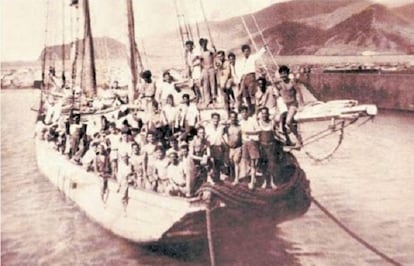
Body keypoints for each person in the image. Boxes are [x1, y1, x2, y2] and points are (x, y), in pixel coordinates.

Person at [275, 65, 303, 147]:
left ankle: (298, 138)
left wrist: (301, 104)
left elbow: (298, 92)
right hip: (284, 106)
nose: (283, 75)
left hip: (292, 105)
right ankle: (287, 140)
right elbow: (272, 85)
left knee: (288, 121)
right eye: (281, 74)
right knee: (277, 122)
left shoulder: (292, 82)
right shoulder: (279, 83)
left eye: (285, 73)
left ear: (288, 74)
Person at [238, 44, 266, 116]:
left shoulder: (252, 57)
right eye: (244, 51)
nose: (246, 53)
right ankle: (250, 109)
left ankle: (255, 110)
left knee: (252, 94)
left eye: (247, 51)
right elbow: (241, 71)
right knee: (246, 95)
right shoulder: (243, 60)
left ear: (249, 51)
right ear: (243, 52)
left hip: (251, 76)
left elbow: (259, 54)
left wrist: (263, 48)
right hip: (244, 78)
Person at [257, 107, 281, 189]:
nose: (264, 115)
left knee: (272, 165)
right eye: (262, 113)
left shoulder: (272, 123)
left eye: (265, 113)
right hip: (262, 147)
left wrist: (282, 139)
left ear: (268, 114)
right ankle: (264, 181)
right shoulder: (258, 123)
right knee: (263, 165)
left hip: (271, 146)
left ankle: (272, 181)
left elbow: (276, 133)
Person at [239, 106, 260, 189]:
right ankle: (251, 178)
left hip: (252, 142)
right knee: (246, 161)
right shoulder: (240, 122)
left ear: (247, 112)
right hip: (244, 143)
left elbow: (259, 130)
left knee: (253, 162)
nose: (244, 114)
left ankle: (252, 182)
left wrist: (249, 133)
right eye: (242, 112)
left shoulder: (252, 120)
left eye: (245, 112)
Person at [188, 126, 211, 195]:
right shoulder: (193, 142)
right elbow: (191, 155)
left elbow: (209, 153)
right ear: (198, 134)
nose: (202, 134)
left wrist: (205, 157)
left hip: (201, 162)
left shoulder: (206, 142)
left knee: (203, 177)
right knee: (192, 179)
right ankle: (190, 193)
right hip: (193, 161)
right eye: (200, 133)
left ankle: (201, 193)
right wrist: (202, 158)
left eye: (203, 133)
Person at [205, 112, 226, 182]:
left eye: (217, 118)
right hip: (210, 147)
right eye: (214, 118)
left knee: (218, 163)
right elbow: (205, 137)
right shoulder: (207, 128)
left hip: (218, 147)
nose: (216, 120)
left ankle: (217, 178)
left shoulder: (221, 128)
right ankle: (210, 178)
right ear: (211, 119)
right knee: (210, 164)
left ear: (219, 119)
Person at [223, 111, 242, 184]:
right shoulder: (227, 128)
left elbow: (242, 137)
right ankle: (232, 177)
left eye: (234, 117)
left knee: (236, 162)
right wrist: (226, 143)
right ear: (230, 118)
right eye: (232, 117)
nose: (233, 119)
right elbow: (222, 135)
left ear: (236, 118)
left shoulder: (239, 127)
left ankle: (236, 179)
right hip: (230, 148)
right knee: (230, 163)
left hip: (237, 147)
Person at [215, 50, 234, 115]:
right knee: (225, 99)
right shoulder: (219, 63)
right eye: (218, 57)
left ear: (223, 56)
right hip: (222, 82)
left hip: (228, 80)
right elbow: (218, 73)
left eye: (221, 56)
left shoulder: (227, 63)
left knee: (228, 88)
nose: (220, 58)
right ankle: (228, 113)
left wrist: (223, 83)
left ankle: (232, 98)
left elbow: (227, 74)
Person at [199, 38, 217, 107]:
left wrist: (214, 48)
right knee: (205, 85)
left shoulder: (210, 51)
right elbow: (200, 62)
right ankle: (207, 100)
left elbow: (215, 55)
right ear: (201, 45)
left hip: (211, 68)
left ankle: (214, 98)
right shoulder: (201, 53)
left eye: (205, 43)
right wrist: (203, 68)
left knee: (213, 84)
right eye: (203, 44)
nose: (204, 45)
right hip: (205, 69)